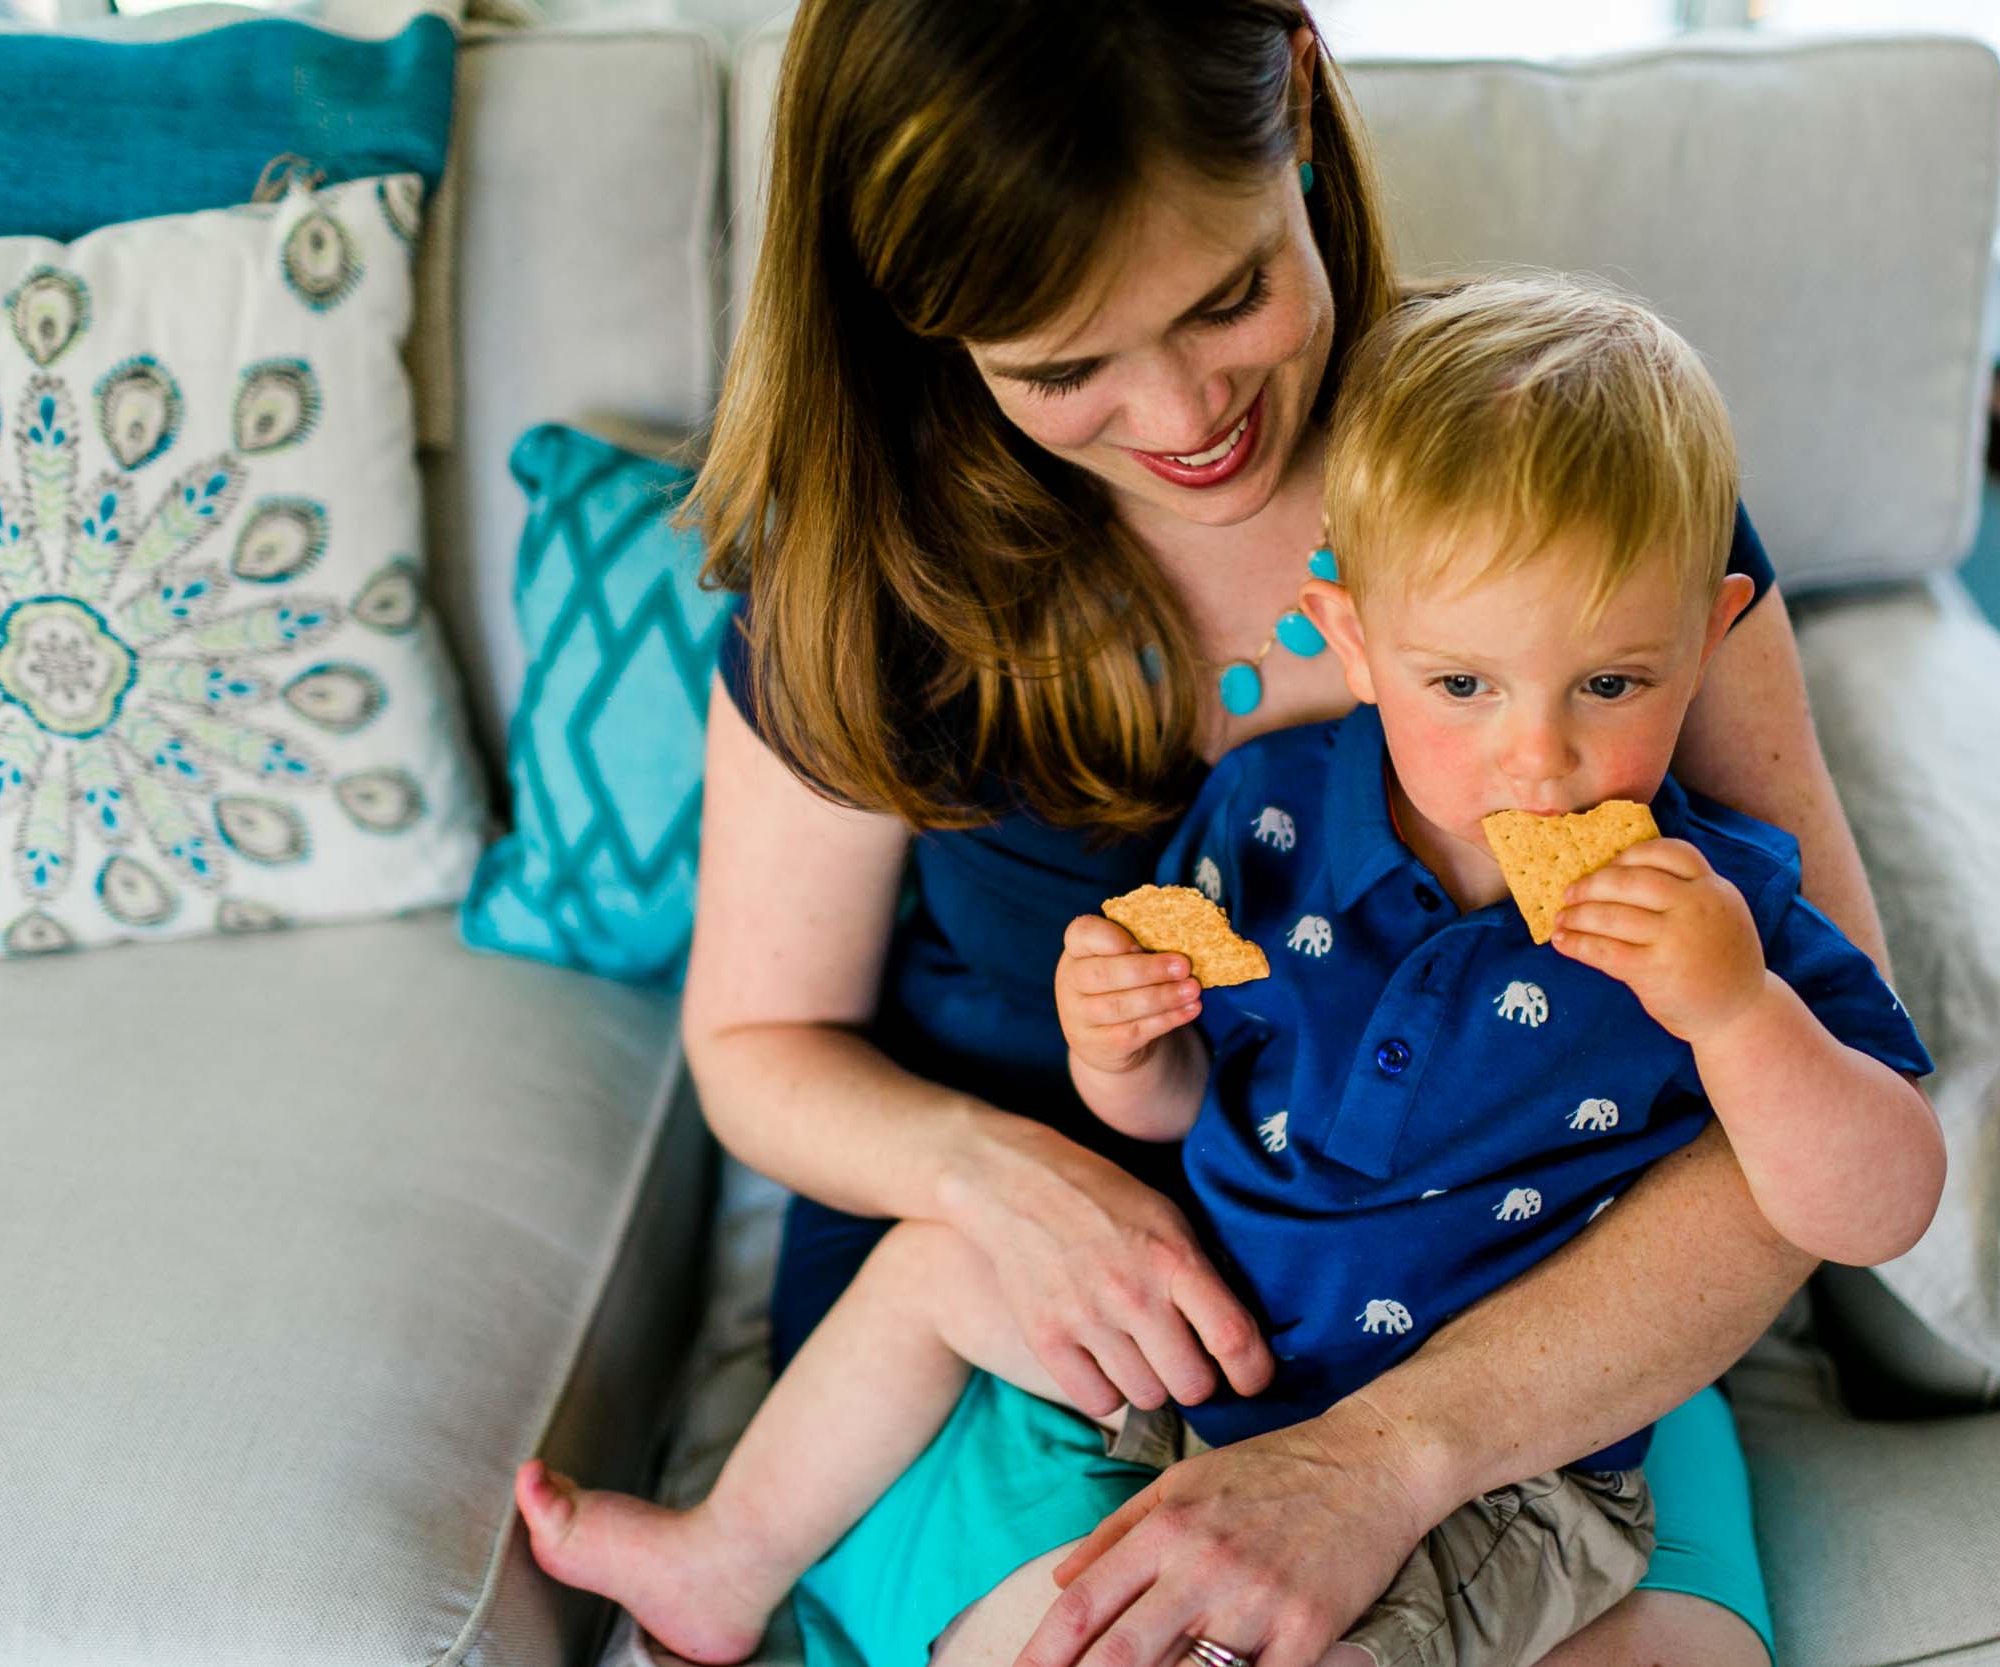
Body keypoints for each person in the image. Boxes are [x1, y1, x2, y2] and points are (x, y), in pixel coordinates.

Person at [588, 2, 1911, 1663]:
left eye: (1227, 296)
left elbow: (1824, 1061)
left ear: (1293, 91)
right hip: (1042, 1328)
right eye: (1063, 367)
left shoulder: (1563, 480)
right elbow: (758, 1038)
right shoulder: (871, 584)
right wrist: (1004, 1176)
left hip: (1519, 1314)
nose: (1184, 413)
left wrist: (1399, 1452)